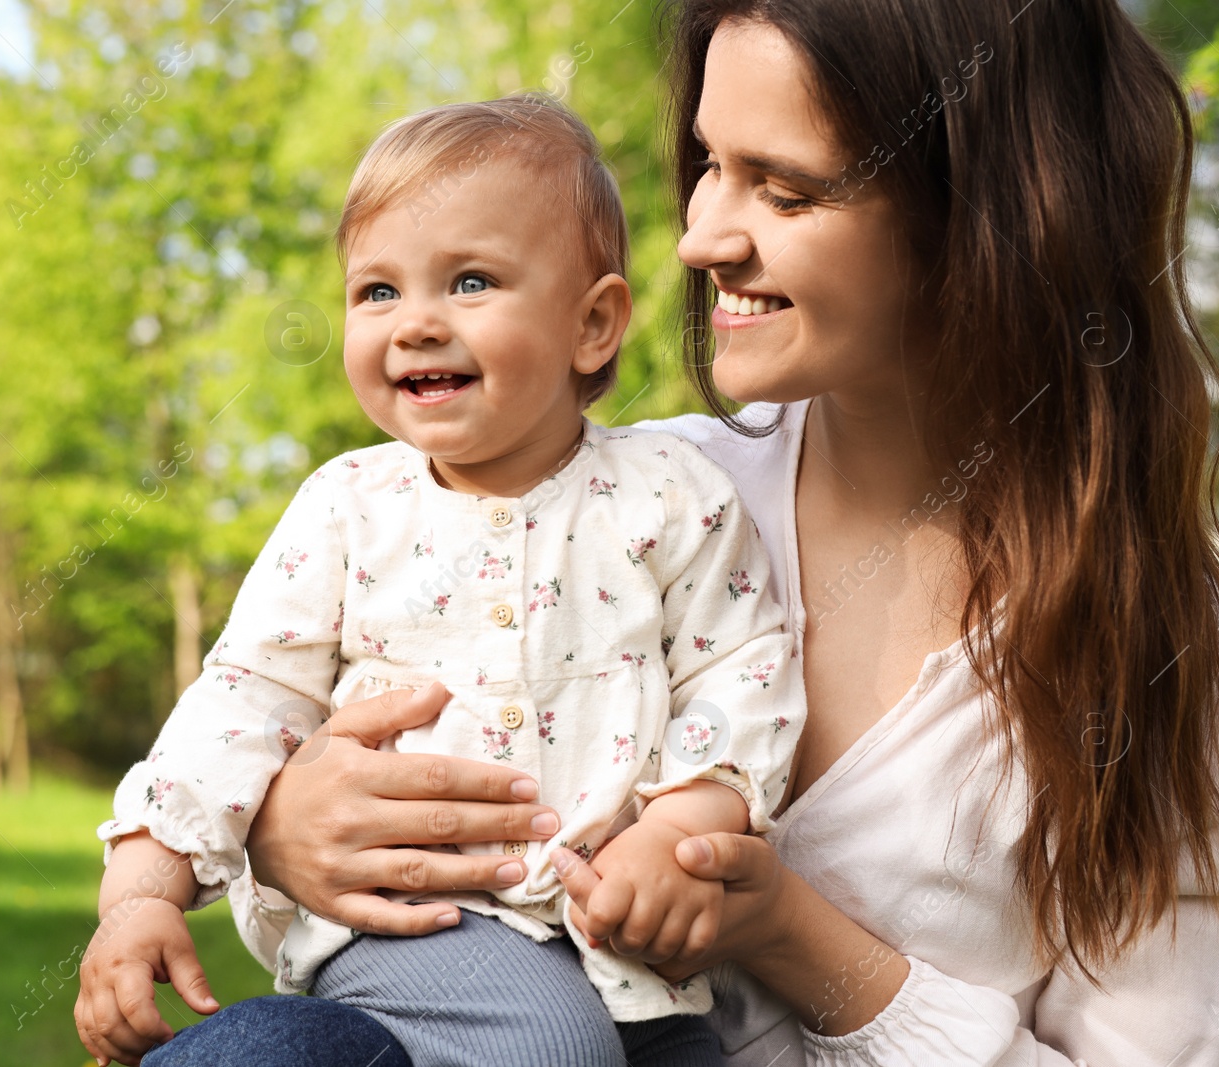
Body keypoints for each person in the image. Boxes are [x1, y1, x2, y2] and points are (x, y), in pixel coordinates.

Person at [80, 0, 1219, 1064]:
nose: (701, 236)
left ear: (987, 214)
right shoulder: (636, 491)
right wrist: (282, 829)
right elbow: (265, 711)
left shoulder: (1171, 659)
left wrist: (788, 932)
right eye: (708, 165)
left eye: (785, 188)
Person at [74, 93, 809, 1067]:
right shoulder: (348, 507)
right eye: (375, 291)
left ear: (592, 324)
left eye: (468, 280)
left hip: (635, 955)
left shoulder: (671, 498)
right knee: (544, 1044)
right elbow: (245, 698)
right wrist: (140, 890)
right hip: (416, 926)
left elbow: (741, 668)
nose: (414, 324)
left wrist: (682, 822)